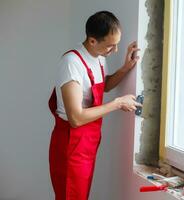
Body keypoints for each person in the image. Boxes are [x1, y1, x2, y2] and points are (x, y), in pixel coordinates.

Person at [48, 11, 141, 200]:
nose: (114, 50)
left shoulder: (99, 58)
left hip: (87, 143)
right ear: (92, 41)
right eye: (110, 45)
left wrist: (125, 68)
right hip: (71, 144)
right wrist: (116, 103)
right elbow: (76, 118)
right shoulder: (71, 63)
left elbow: (102, 86)